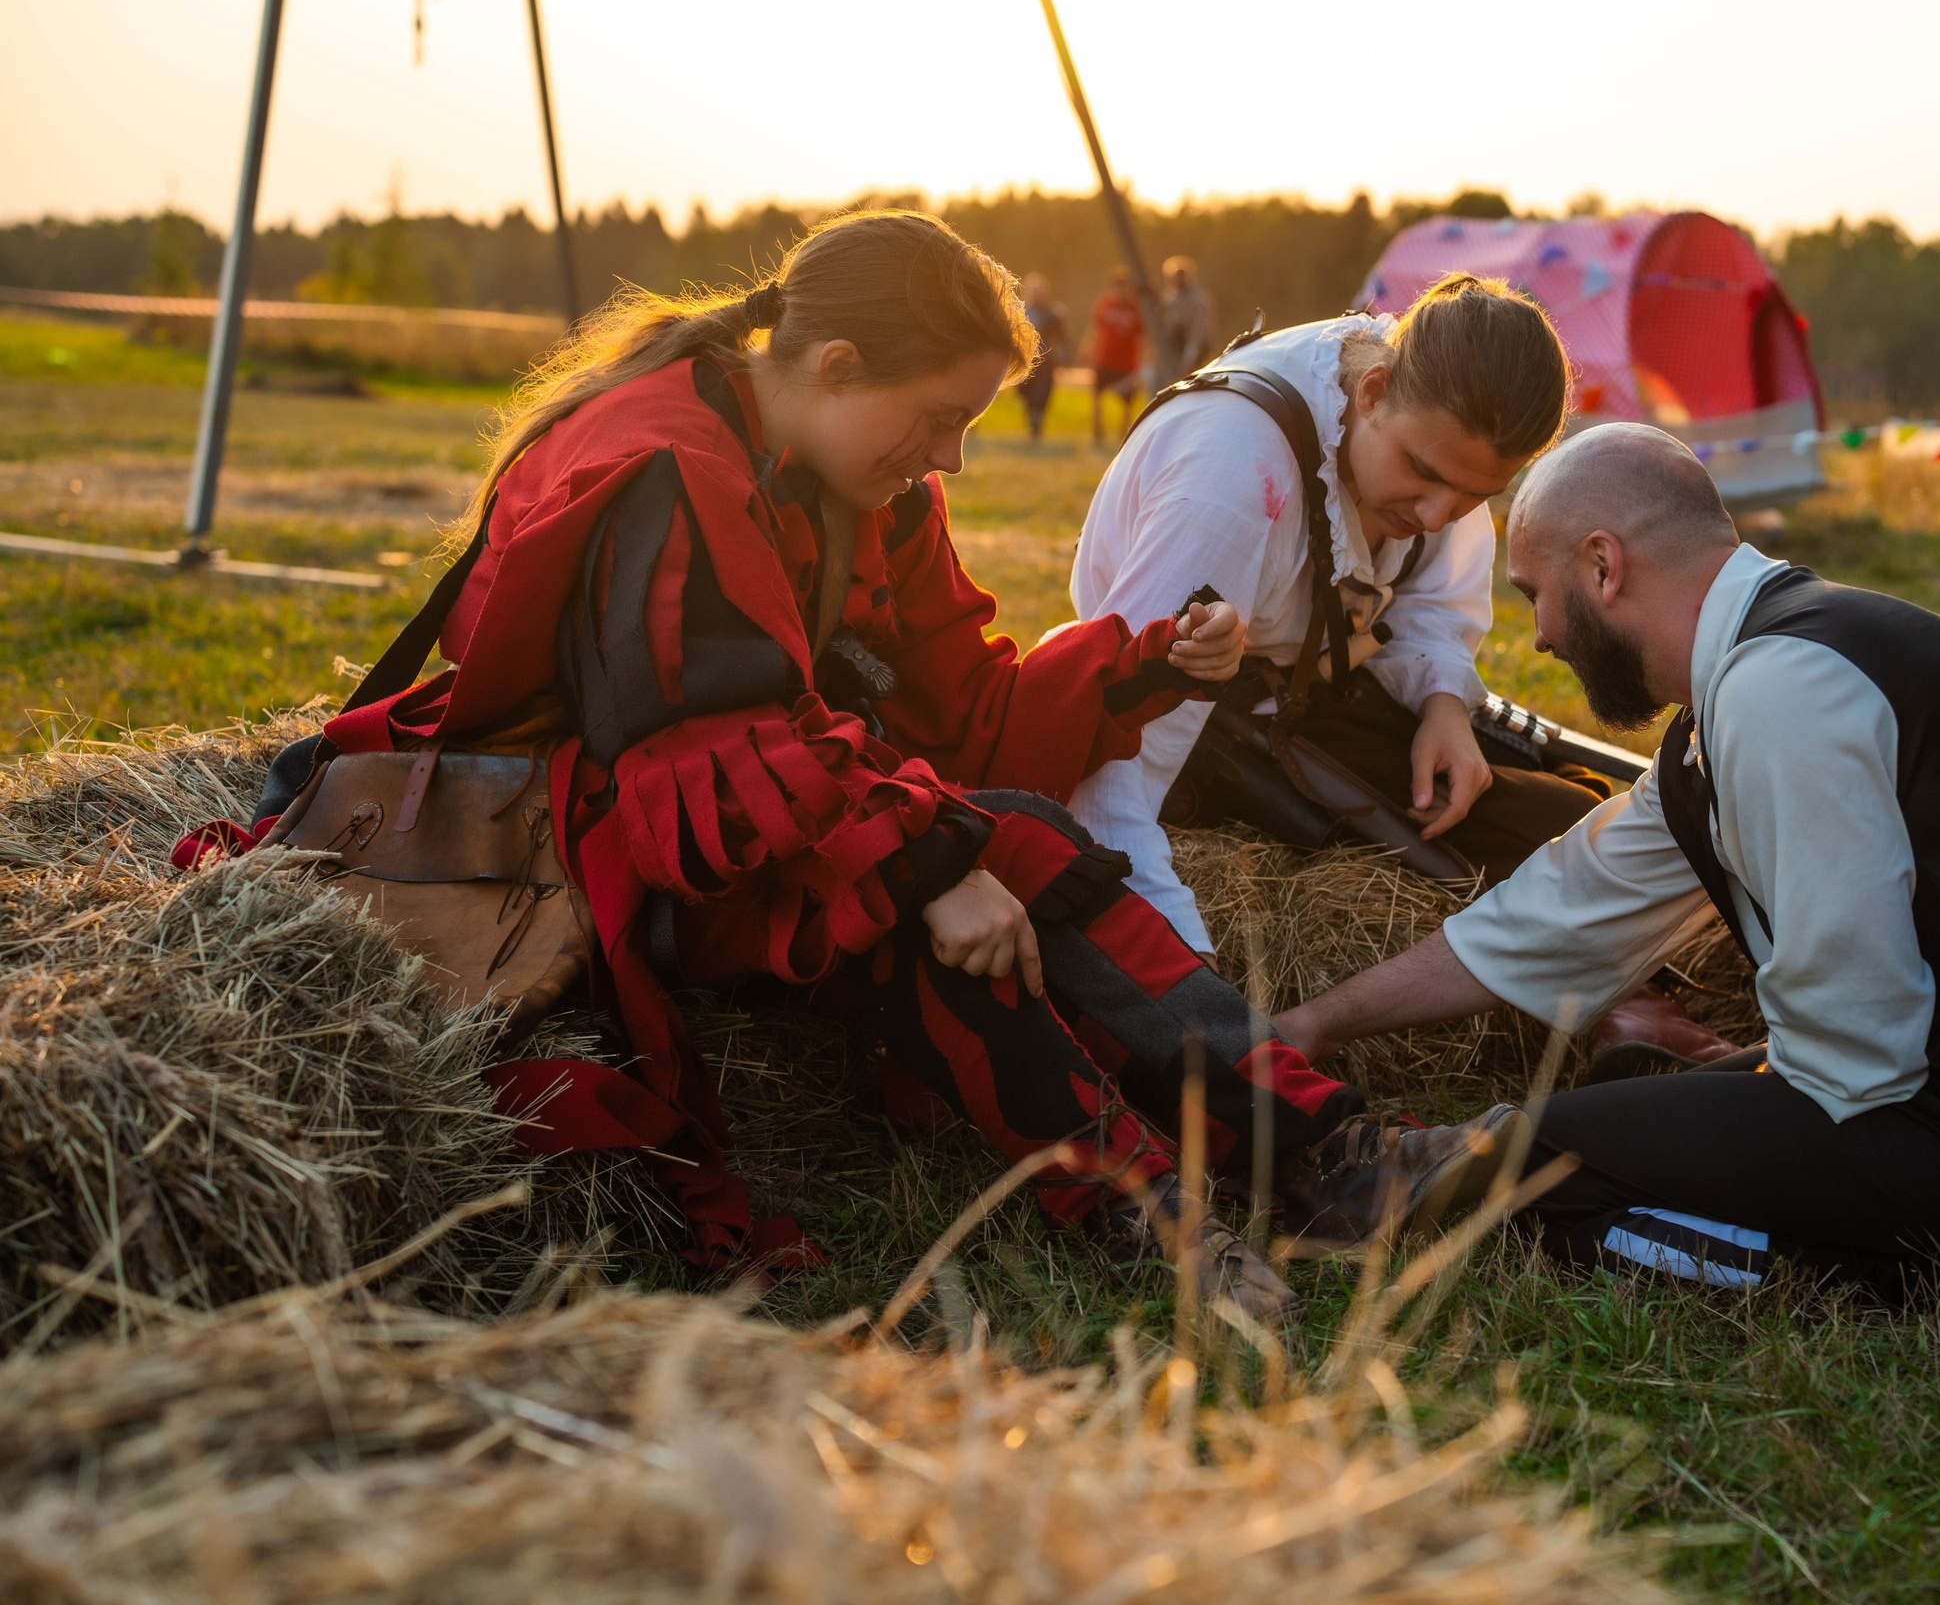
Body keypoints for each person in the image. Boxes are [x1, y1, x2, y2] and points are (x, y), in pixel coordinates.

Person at [244, 212, 1423, 1322]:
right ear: (842, 364)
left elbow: (956, 716)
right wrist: (926, 859)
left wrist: (1143, 662)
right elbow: (707, 771)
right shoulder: (664, 465)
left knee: (1016, 840)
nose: (954, 458)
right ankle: (1148, 1215)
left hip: (751, 805)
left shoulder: (865, 477)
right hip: (596, 840)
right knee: (903, 895)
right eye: (942, 417)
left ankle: (1329, 1151)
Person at [1271, 424, 1940, 1319]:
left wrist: (1675, 1113)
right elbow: (1558, 912)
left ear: (1603, 566)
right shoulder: (1763, 681)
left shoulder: (1779, 694)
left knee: (1553, 1171)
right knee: (1624, 1103)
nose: (1543, 638)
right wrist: (1317, 1020)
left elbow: (1851, 1061)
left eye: (1533, 594)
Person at [1065, 276, 1617, 960]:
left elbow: (1430, 603)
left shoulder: (1424, 421)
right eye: (1423, 472)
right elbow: (1117, 768)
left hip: (1315, 688)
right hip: (1214, 723)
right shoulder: (1232, 475)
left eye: (1474, 495)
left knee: (1589, 812)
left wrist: (1446, 704)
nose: (1435, 516)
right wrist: (1189, 980)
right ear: (1372, 390)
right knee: (1560, 833)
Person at [1085, 266, 1147, 443]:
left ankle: (1123, 434)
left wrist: (1140, 366)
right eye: (1118, 286)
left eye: (1124, 287)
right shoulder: (1105, 304)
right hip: (1104, 359)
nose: (1121, 291)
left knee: (1127, 402)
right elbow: (1094, 328)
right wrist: (1088, 350)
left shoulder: (1136, 309)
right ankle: (1098, 431)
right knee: (1096, 395)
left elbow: (1143, 339)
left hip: (1127, 363)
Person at [1016, 271, 1066, 442]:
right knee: (1025, 392)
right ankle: (1032, 418)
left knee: (1042, 393)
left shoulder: (1052, 314)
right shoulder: (1020, 312)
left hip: (1045, 361)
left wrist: (1061, 358)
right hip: (1024, 360)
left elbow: (1061, 338)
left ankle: (1036, 423)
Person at [1158, 255, 1216, 382]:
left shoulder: (1197, 299)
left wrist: (1190, 357)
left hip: (1196, 350)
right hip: (1176, 349)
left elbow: (1199, 332)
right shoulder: (1168, 299)